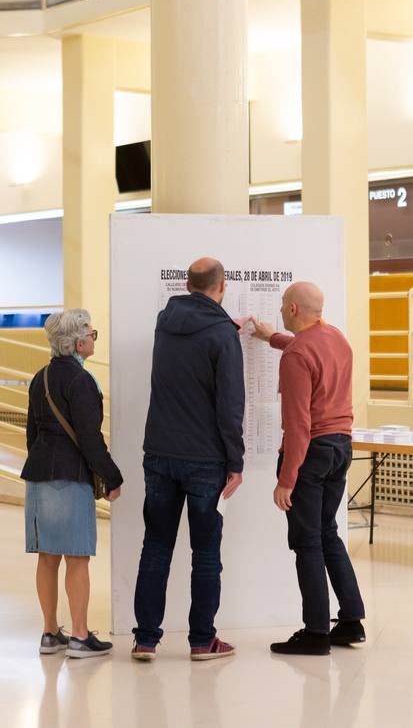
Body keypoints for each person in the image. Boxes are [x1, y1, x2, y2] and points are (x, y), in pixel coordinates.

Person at [132, 257, 245, 662]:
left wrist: (228, 325)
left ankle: (145, 640)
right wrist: (237, 461)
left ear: (186, 283)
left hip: (159, 454)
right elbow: (230, 405)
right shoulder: (222, 334)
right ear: (223, 285)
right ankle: (202, 641)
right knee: (206, 554)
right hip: (206, 461)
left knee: (155, 548)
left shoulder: (165, 320)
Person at [252, 281, 365, 656]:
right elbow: (308, 351)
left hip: (311, 453)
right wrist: (274, 338)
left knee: (307, 542)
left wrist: (287, 481)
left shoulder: (297, 356)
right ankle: (351, 620)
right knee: (327, 532)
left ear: (295, 309)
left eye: (284, 304)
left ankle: (316, 631)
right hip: (340, 446)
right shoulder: (337, 338)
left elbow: (298, 425)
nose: (280, 309)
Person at [21, 309, 123, 659]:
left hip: (38, 476)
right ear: (79, 342)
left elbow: (32, 433)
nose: (94, 338)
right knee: (77, 558)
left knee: (47, 558)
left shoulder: (40, 377)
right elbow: (89, 438)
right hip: (70, 477)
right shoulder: (83, 381)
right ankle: (80, 636)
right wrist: (111, 476)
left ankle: (50, 633)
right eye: (92, 333)